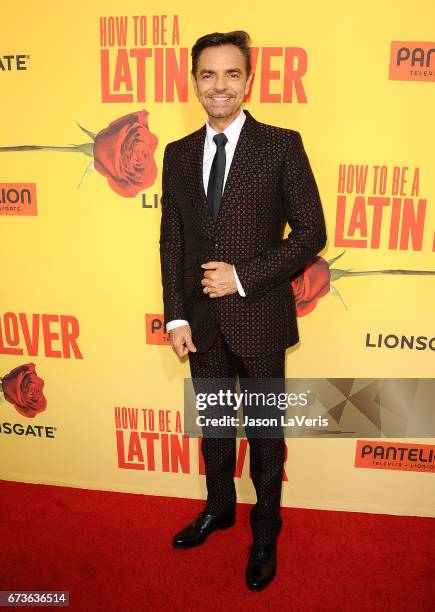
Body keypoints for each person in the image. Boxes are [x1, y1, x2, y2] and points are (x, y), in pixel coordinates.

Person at [159, 30, 327, 591]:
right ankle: (220, 508)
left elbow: (311, 233)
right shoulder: (178, 153)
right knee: (213, 428)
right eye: (208, 75)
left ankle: (264, 528)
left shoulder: (281, 144)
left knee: (263, 434)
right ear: (194, 82)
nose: (220, 86)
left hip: (259, 318)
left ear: (249, 80)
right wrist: (175, 316)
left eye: (232, 74)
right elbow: (173, 242)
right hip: (199, 321)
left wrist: (242, 277)